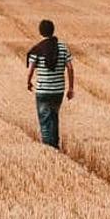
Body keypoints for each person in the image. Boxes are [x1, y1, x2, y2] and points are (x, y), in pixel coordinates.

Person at [25, 19, 72, 148]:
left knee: (45, 120)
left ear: (41, 32)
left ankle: (48, 149)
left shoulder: (38, 48)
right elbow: (70, 67)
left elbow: (31, 68)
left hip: (43, 90)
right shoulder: (62, 47)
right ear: (53, 30)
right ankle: (55, 145)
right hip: (58, 90)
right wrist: (71, 88)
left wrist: (28, 82)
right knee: (54, 117)